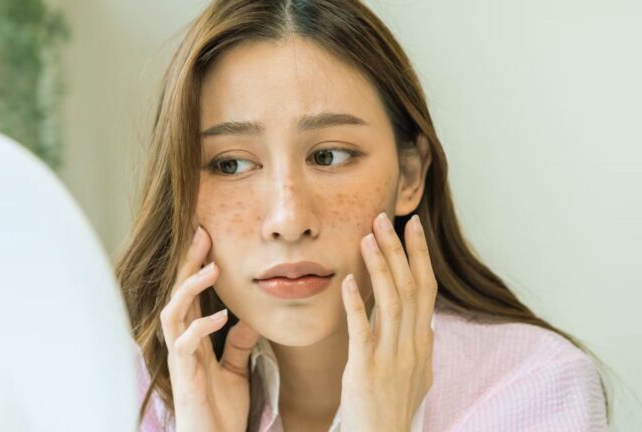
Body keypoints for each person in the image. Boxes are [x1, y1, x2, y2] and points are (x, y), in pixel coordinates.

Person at [114, 1, 611, 431]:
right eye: (232, 164)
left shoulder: (532, 386)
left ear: (411, 174)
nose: (288, 220)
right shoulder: (126, 394)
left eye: (329, 156)